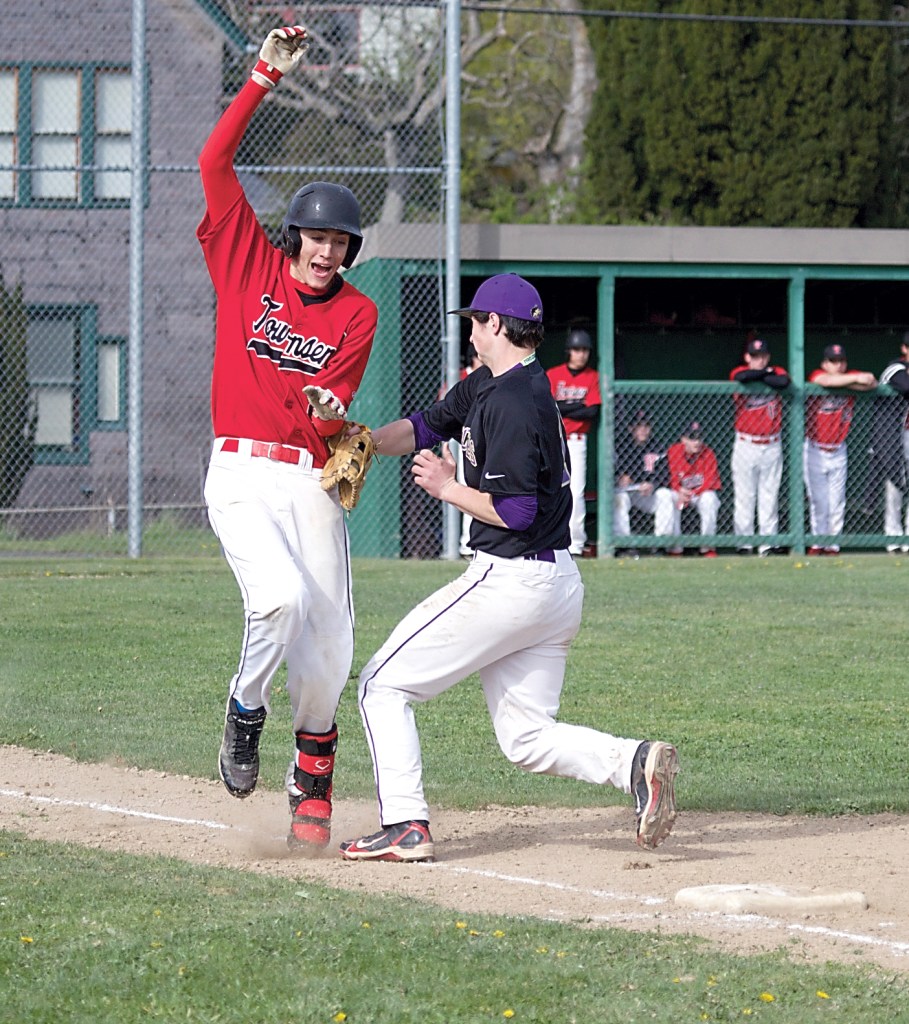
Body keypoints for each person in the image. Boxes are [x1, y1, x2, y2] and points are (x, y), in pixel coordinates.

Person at [337, 274, 679, 862]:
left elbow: (517, 512)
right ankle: (634, 762)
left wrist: (447, 487)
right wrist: (364, 441)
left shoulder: (516, 403)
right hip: (554, 585)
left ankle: (405, 825)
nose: (470, 331)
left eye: (475, 321)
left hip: (511, 579)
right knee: (526, 737)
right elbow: (427, 425)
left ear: (495, 324)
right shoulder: (494, 383)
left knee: (380, 685)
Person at [196, 25, 378, 852]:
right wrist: (263, 75)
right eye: (316, 236)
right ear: (294, 234)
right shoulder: (247, 266)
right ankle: (244, 710)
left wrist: (331, 413)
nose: (325, 250)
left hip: (308, 477)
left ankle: (312, 781)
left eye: (339, 242)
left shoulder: (356, 312)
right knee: (278, 600)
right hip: (240, 472)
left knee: (331, 644)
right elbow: (213, 163)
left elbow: (331, 415)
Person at [804, 343, 877, 556]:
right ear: (824, 364)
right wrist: (852, 381)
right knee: (818, 501)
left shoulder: (849, 376)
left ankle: (832, 545)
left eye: (841, 361)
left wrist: (848, 381)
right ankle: (817, 542)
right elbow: (824, 381)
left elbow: (871, 381)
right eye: (833, 361)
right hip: (815, 449)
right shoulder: (817, 374)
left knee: (837, 502)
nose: (838, 365)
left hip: (838, 449)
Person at [729, 338, 790, 555]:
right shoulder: (740, 371)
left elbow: (783, 382)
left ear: (768, 356)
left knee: (769, 497)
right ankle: (744, 545)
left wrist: (764, 374)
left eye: (763, 356)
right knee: (745, 497)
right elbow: (742, 377)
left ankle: (767, 544)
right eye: (755, 357)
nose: (760, 360)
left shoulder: (778, 371)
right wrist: (766, 373)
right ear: (747, 357)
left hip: (772, 444)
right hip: (746, 443)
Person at [547, 328, 602, 556]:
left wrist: (564, 408)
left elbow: (592, 411)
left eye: (585, 350)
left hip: (578, 441)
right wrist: (576, 406)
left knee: (575, 491)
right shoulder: (553, 374)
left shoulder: (593, 376)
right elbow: (549, 409)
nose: (581, 354)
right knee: (550, 489)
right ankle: (550, 539)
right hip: (553, 440)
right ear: (569, 351)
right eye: (577, 350)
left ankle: (575, 544)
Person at [866, 335, 909, 553]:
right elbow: (906, 386)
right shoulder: (895, 368)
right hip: (892, 438)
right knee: (894, 488)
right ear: (904, 348)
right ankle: (894, 538)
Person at [613, 409, 675, 556]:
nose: (643, 430)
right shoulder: (621, 446)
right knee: (619, 498)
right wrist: (619, 477)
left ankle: (661, 544)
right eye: (638, 426)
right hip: (627, 491)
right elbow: (611, 472)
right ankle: (623, 544)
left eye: (646, 426)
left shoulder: (657, 446)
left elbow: (665, 474)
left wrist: (653, 484)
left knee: (665, 494)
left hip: (648, 492)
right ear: (631, 428)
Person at [666, 420, 722, 557]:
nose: (696, 442)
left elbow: (711, 481)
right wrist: (679, 490)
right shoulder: (673, 451)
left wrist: (693, 493)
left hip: (699, 494)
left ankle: (707, 547)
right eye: (692, 438)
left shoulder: (708, 453)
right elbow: (669, 476)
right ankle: (675, 549)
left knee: (710, 499)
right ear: (683, 439)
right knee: (669, 498)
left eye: (699, 438)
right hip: (679, 492)